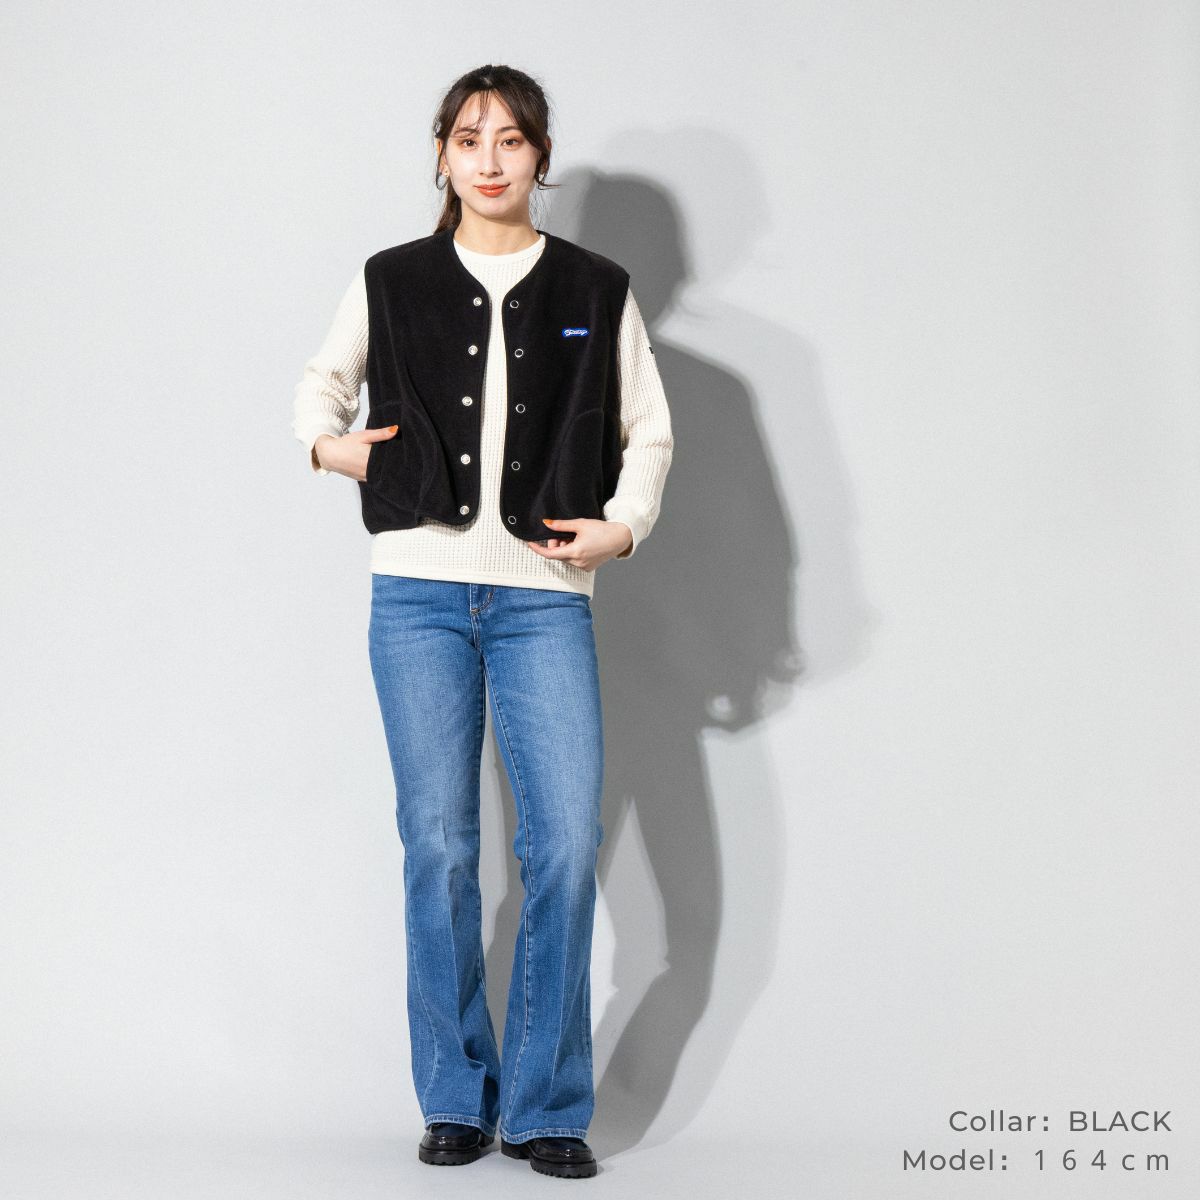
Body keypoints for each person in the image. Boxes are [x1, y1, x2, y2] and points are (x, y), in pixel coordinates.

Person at [291, 64, 673, 1180]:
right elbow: (320, 388)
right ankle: (456, 1096)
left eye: (511, 140)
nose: (491, 159)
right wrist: (333, 449)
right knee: (440, 846)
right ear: (443, 156)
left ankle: (546, 1107)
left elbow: (649, 432)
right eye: (469, 139)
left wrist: (623, 527)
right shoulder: (393, 279)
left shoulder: (595, 286)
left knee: (562, 844)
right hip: (415, 594)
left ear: (541, 157)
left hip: (544, 599)